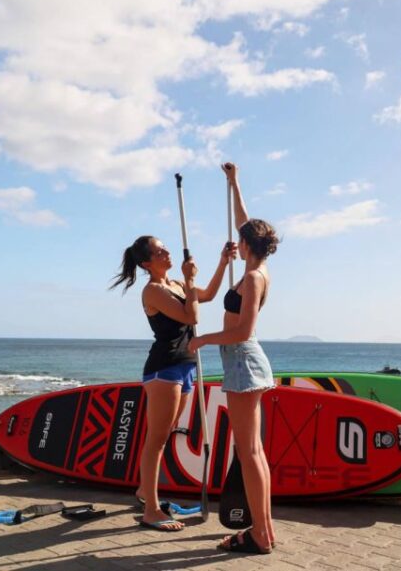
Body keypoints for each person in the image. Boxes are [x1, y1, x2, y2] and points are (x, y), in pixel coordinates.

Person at [110, 235, 233, 531]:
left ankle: (144, 491)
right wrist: (190, 280)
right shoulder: (152, 291)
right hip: (164, 369)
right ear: (146, 263)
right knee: (156, 440)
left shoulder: (176, 284)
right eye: (160, 251)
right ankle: (151, 511)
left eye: (166, 248)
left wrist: (222, 262)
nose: (167, 252)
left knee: (163, 437)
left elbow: (209, 296)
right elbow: (191, 315)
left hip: (185, 368)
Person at [188, 162, 279, 554]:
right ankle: (265, 529)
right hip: (242, 360)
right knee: (253, 452)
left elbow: (243, 330)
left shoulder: (255, 277)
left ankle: (259, 533)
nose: (236, 242)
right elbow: (245, 220)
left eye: (241, 240)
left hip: (242, 358)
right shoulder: (255, 266)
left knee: (249, 452)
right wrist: (234, 182)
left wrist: (203, 339)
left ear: (247, 245)